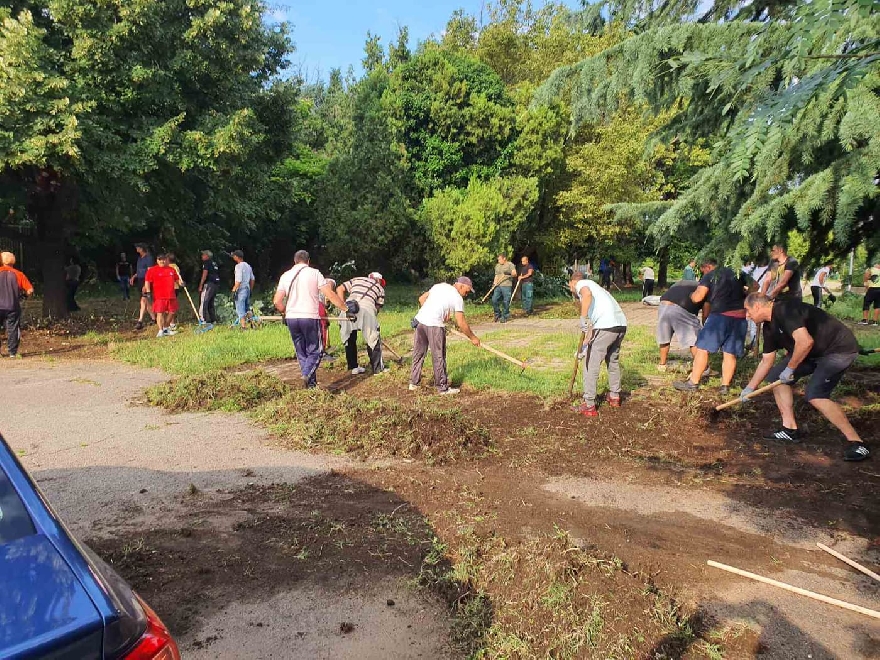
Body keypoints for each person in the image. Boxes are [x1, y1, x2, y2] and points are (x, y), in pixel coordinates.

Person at [740, 293, 869, 462]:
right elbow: (767, 360)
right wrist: (750, 388)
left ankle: (857, 443)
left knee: (815, 395)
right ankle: (790, 429)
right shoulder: (769, 327)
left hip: (837, 350)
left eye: (748, 310)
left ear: (757, 306)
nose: (746, 315)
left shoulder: (786, 310)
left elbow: (805, 342)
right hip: (812, 353)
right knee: (775, 378)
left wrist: (790, 368)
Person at [273, 250, 348, 388]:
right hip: (309, 317)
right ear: (308, 261)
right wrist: (345, 309)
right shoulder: (315, 273)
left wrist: (286, 312)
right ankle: (306, 374)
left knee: (301, 351)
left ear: (294, 261)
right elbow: (329, 295)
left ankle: (311, 385)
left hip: (292, 318)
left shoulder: (285, 275)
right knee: (317, 350)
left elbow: (277, 301)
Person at [673, 258, 748, 395]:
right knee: (730, 353)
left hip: (720, 316)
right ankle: (725, 386)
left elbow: (698, 297)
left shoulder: (710, 275)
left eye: (702, 270)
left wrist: (692, 294)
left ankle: (693, 382)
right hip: (740, 317)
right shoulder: (738, 272)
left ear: (707, 266)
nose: (703, 273)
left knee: (702, 349)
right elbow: (755, 287)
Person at [569, 272, 628, 417]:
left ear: (572, 282)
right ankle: (614, 397)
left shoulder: (582, 284)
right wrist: (584, 346)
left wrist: (582, 318)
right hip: (620, 325)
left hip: (606, 327)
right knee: (612, 361)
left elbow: (586, 295)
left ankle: (589, 405)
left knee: (591, 363)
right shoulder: (599, 290)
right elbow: (595, 327)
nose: (571, 289)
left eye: (569, 285)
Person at [410, 277, 481, 395]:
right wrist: (473, 337)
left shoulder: (439, 286)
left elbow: (421, 299)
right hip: (435, 325)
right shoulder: (457, 298)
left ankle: (413, 383)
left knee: (418, 354)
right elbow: (461, 322)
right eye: (467, 291)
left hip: (420, 321)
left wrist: (431, 313)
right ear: (461, 286)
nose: (466, 294)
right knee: (438, 356)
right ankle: (442, 388)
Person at [337, 272, 387, 375]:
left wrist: (343, 307)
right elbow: (377, 308)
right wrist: (369, 324)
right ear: (378, 280)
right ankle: (377, 369)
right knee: (373, 338)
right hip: (367, 310)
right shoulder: (380, 289)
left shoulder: (357, 279)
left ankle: (353, 367)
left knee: (349, 338)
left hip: (348, 308)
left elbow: (339, 289)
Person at [655, 280, 702, 372]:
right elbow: (706, 311)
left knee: (665, 336)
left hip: (663, 304)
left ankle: (662, 365)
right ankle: (702, 368)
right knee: (694, 339)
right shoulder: (705, 289)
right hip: (680, 307)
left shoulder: (684, 282)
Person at [0, 252, 34, 359]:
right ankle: (12, 352)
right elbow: (30, 290)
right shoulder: (19, 274)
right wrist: (26, 297)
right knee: (13, 329)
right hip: (12, 307)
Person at [143, 254, 180, 338]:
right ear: (157, 261)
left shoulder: (172, 270)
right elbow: (147, 281)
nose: (162, 261)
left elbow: (177, 280)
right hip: (159, 296)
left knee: (172, 312)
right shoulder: (152, 270)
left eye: (163, 260)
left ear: (166, 260)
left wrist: (182, 283)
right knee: (160, 313)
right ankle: (160, 331)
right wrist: (148, 292)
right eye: (160, 260)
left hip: (171, 295)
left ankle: (166, 328)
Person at [131, 244, 155, 330]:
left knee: (143, 300)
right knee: (147, 301)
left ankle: (140, 321)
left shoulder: (149, 258)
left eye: (138, 247)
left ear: (142, 248)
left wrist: (146, 284)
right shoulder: (139, 258)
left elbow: (150, 272)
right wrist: (134, 276)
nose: (137, 249)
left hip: (146, 280)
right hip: (140, 280)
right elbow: (140, 270)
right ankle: (154, 318)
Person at [231, 250, 254, 329]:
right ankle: (252, 323)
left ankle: (243, 326)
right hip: (247, 288)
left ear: (237, 257)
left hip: (241, 289)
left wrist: (234, 290)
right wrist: (251, 289)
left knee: (240, 307)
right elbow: (252, 279)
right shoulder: (248, 266)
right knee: (247, 308)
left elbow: (238, 280)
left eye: (234, 256)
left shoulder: (238, 266)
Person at [197, 250, 220, 327]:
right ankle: (213, 319)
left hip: (209, 284)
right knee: (211, 302)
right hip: (215, 284)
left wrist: (201, 284)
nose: (202, 256)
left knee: (204, 301)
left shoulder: (206, 263)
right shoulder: (214, 263)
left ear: (207, 256)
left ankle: (202, 319)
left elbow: (205, 274)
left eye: (203, 255)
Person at [491, 254, 517, 323]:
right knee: (494, 300)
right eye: (498, 260)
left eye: (500, 259)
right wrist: (494, 283)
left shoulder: (510, 264)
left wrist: (509, 273)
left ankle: (505, 316)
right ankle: (497, 314)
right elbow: (496, 275)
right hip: (498, 285)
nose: (498, 261)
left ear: (504, 258)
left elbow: (515, 274)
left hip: (507, 286)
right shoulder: (497, 266)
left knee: (506, 301)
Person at [166, 253, 183, 330]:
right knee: (170, 306)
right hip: (174, 288)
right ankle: (171, 322)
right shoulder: (176, 266)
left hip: (172, 288)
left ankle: (172, 323)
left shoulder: (171, 267)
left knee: (170, 306)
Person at [861, 259, 880, 326]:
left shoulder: (871, 269)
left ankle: (865, 320)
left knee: (866, 303)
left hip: (872, 288)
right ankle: (874, 322)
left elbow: (866, 276)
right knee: (878, 305)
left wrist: (865, 284)